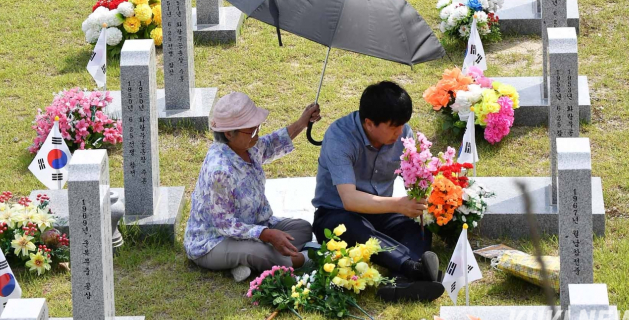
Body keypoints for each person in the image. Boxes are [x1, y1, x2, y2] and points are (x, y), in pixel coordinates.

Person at [312, 81, 444, 302]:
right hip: (336, 215)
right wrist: (399, 204)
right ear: (369, 123)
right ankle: (411, 267)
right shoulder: (339, 136)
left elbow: (415, 177)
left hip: (381, 210)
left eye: (403, 125)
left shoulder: (403, 133)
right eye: (394, 127)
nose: (401, 132)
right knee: (354, 228)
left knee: (416, 226)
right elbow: (350, 199)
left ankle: (400, 283)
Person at [184, 92, 321, 283]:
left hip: (253, 226)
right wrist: (265, 234)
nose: (258, 132)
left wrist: (301, 123)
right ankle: (303, 259)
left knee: (302, 228)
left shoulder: (248, 145)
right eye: (252, 130)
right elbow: (225, 225)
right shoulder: (220, 171)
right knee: (257, 251)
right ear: (229, 133)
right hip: (215, 240)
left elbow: (272, 144)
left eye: (258, 127)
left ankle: (244, 264)